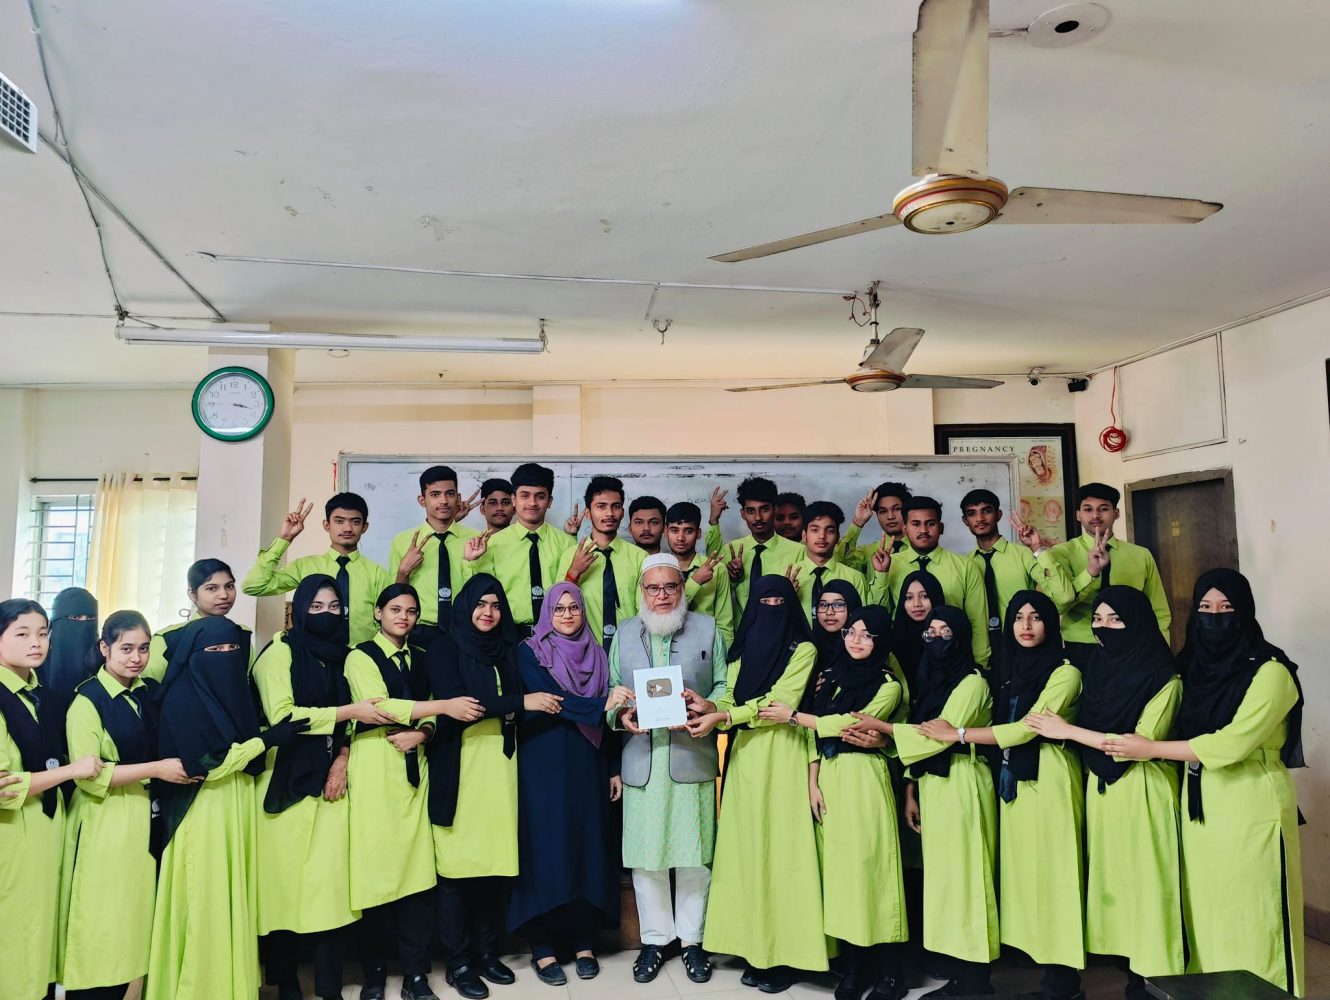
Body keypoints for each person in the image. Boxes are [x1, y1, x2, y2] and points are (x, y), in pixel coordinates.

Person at [1103, 569, 1305, 996]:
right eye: (1205, 608)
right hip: (1198, 804)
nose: (1214, 618)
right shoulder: (1192, 669)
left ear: (1245, 612)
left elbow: (1233, 743)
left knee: (1255, 916)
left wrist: (1151, 749)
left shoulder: (1271, 672)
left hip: (1250, 802)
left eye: (1226, 608)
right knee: (1208, 916)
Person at [917, 592, 1085, 1000]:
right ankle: (1044, 982)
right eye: (1018, 618)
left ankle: (1064, 986)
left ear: (1050, 624)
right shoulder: (1009, 672)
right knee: (1025, 881)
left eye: (1036, 618)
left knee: (1055, 877)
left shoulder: (1065, 672)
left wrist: (958, 734)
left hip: (1050, 777)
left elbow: (1031, 727)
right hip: (1014, 781)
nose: (1025, 626)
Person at [1027, 586, 1183, 998]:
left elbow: (1138, 744)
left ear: (1138, 623)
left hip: (1143, 790)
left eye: (1116, 619)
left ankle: (1150, 988)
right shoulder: (1098, 668)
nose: (1104, 628)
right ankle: (1131, 981)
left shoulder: (1164, 677)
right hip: (1102, 791)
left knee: (1148, 891)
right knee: (1119, 893)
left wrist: (1067, 730)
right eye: (1098, 619)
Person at [146, 615, 308, 1000]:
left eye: (232, 650)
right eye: (213, 650)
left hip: (235, 803)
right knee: (205, 899)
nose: (224, 656)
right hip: (199, 810)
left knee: (231, 896)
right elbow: (202, 766)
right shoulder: (181, 699)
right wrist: (265, 741)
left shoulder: (237, 695)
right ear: (193, 654)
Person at [253, 575, 398, 1000]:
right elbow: (284, 717)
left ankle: (330, 987)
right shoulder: (279, 653)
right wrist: (347, 711)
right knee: (281, 890)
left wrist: (343, 757)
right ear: (299, 610)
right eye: (316, 607)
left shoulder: (342, 656)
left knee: (331, 891)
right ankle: (287, 985)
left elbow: (353, 723)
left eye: (334, 607)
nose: (326, 615)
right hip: (285, 783)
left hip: (331, 782)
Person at [687, 576, 826, 994]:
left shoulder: (803, 649)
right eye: (764, 602)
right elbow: (730, 697)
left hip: (784, 755)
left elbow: (779, 703)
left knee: (784, 854)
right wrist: (707, 706)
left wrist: (725, 717)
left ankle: (788, 954)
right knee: (747, 851)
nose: (772, 610)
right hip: (745, 757)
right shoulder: (742, 648)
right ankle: (751, 944)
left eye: (779, 602)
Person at [852, 606, 997, 997]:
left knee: (968, 879)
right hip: (933, 783)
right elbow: (923, 730)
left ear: (961, 637)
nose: (936, 639)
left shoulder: (972, 681)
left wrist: (883, 728)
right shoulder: (930, 678)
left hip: (963, 781)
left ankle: (975, 981)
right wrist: (911, 790)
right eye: (930, 632)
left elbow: (940, 735)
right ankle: (957, 974)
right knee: (946, 882)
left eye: (946, 632)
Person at [60, 611, 194, 1000]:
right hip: (105, 822)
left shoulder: (148, 693)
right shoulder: (87, 701)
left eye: (144, 649)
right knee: (102, 925)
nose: (136, 658)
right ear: (104, 648)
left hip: (144, 818)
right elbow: (89, 775)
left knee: (133, 923)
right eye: (126, 649)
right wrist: (157, 769)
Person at [607, 554, 728, 986]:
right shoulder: (624, 633)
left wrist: (709, 705)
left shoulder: (708, 629)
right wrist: (620, 715)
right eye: (653, 588)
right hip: (643, 759)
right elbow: (611, 690)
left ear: (682, 588)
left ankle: (693, 942)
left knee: (695, 856)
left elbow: (725, 686)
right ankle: (655, 941)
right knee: (646, 858)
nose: (662, 595)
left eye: (670, 587)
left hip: (691, 756)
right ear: (641, 592)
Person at [510, 583, 632, 986]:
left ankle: (584, 942)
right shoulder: (530, 652)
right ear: (547, 613)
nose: (566, 615)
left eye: (573, 608)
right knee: (545, 850)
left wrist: (613, 767)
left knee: (587, 848)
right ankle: (542, 947)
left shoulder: (598, 654)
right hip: (543, 764)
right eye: (558, 608)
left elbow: (610, 722)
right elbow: (550, 699)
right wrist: (601, 704)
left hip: (587, 762)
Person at [424, 575, 529, 1000]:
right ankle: (458, 961)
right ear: (466, 606)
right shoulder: (444, 648)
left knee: (494, 868)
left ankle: (486, 952)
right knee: (456, 872)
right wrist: (520, 703)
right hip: (460, 766)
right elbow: (461, 706)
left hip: (501, 769)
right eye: (481, 604)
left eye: (496, 605)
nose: (488, 612)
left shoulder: (507, 649)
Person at [0, 599, 103, 1000]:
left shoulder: (39, 693)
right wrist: (71, 770)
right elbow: (4, 788)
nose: (36, 643)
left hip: (45, 832)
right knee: (15, 934)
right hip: (12, 837)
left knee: (39, 932)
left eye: (43, 634)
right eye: (22, 634)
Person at [805, 606, 909, 1000]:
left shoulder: (888, 684)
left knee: (873, 871)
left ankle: (890, 972)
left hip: (866, 778)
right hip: (831, 778)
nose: (856, 640)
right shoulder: (831, 676)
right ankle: (854, 967)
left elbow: (853, 724)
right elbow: (820, 735)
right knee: (842, 874)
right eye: (852, 632)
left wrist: (798, 717)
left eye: (867, 635)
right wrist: (812, 782)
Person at [343, 584, 439, 1000]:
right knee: (376, 871)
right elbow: (377, 707)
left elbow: (432, 706)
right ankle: (375, 973)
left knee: (417, 874)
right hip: (374, 766)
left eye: (411, 611)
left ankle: (416, 974)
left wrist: (424, 731)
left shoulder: (421, 657)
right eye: (395, 609)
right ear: (378, 612)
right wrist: (437, 711)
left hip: (414, 766)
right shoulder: (360, 656)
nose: (404, 617)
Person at [1016, 483, 1169, 669]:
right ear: (1078, 515)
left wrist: (1162, 651)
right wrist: (1090, 573)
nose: (1095, 515)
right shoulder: (1061, 553)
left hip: (1131, 645)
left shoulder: (1141, 555)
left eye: (1103, 509)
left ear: (1116, 513)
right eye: (1088, 509)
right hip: (1081, 646)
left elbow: (1159, 609)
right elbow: (1060, 605)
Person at [243, 492, 393, 646]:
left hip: (363, 656)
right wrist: (284, 540)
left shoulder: (377, 573)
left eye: (355, 522)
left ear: (364, 527)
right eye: (339, 521)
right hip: (315, 657)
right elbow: (254, 586)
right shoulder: (305, 567)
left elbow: (388, 622)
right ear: (326, 525)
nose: (347, 528)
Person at [959, 489, 1072, 688]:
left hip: (1022, 650)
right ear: (965, 521)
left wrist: (1037, 548)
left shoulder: (1024, 555)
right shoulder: (965, 564)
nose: (980, 518)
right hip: (979, 656)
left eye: (987, 511)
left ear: (998, 515)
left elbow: (1064, 597)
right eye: (972, 513)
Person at [462, 463, 576, 634]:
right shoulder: (493, 544)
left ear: (549, 502)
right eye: (525, 496)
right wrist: (471, 561)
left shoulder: (567, 543)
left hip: (557, 633)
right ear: (514, 500)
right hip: (509, 633)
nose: (532, 503)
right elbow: (481, 594)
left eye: (540, 496)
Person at [885, 496, 990, 668]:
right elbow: (880, 614)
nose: (923, 530)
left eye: (930, 523)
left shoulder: (965, 566)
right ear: (904, 529)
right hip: (902, 661)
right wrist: (880, 574)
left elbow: (977, 622)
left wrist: (980, 665)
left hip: (952, 660)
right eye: (916, 524)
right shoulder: (888, 565)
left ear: (941, 528)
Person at [389, 465, 480, 648]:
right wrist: (404, 571)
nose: (444, 501)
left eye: (450, 494)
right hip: (419, 631)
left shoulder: (474, 539)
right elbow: (393, 598)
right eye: (435, 494)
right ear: (422, 500)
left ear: (458, 498)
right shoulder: (402, 541)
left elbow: (482, 590)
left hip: (464, 630)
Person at [556, 476, 647, 651]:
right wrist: (574, 572)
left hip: (629, 649)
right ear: (588, 513)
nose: (609, 513)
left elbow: (644, 612)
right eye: (601, 506)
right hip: (583, 651)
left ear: (622, 512)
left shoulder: (639, 557)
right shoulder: (570, 555)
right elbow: (558, 608)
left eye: (616, 506)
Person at [705, 478, 803, 614]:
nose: (758, 518)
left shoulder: (798, 551)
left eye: (764, 509)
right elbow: (716, 593)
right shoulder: (731, 550)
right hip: (741, 627)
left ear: (775, 509)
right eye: (751, 511)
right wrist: (732, 579)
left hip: (782, 625)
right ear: (743, 513)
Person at [145, 558, 250, 681]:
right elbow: (151, 687)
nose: (224, 595)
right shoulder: (167, 639)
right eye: (212, 588)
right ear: (192, 594)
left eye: (229, 586)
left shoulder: (241, 634)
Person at [787, 500, 890, 623]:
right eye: (815, 530)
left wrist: (881, 574)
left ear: (837, 537)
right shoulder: (789, 577)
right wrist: (785, 597)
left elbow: (868, 618)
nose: (822, 536)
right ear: (804, 536)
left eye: (829, 531)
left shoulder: (854, 577)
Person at [663, 501, 733, 645]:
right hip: (666, 646)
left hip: (707, 647)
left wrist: (724, 653)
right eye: (674, 530)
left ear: (698, 533)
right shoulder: (658, 569)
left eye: (688, 531)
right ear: (665, 531)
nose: (681, 538)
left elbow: (725, 623)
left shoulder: (717, 569)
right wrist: (695, 582)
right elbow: (665, 614)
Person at [44, 586, 99, 758]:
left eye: (91, 618)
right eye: (75, 618)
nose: (83, 623)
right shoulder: (35, 665)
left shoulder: (106, 663)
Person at [838, 482, 912, 573]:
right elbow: (840, 563)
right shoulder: (868, 552)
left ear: (908, 510)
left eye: (897, 509)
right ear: (877, 514)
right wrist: (857, 523)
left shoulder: (921, 547)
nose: (890, 516)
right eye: (883, 511)